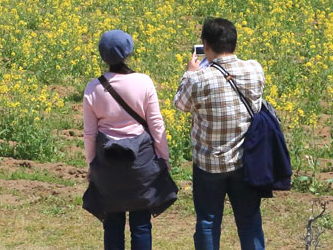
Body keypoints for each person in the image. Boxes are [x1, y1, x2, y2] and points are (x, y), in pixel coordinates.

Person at [175, 18, 266, 249]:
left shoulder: (199, 78)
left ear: (205, 45)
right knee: (249, 221)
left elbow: (181, 104)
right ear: (234, 43)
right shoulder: (255, 69)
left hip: (209, 163)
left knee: (208, 221)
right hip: (246, 160)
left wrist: (189, 74)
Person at [83, 30, 172, 250]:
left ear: (103, 56)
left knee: (112, 222)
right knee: (141, 223)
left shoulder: (93, 88)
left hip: (107, 162)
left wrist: (91, 164)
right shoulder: (144, 82)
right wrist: (163, 158)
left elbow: (89, 134)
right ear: (128, 52)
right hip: (140, 161)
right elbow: (156, 125)